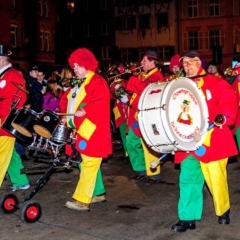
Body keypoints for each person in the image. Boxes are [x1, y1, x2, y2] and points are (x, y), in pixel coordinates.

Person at [171, 51, 238, 232]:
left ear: (200, 63)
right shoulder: (177, 86)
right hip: (187, 142)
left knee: (216, 180)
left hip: (212, 139)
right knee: (188, 180)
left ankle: (223, 210)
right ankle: (187, 218)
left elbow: (229, 99)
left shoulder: (215, 82)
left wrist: (223, 116)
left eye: (192, 62)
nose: (188, 66)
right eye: (185, 63)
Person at [60, 48, 112, 211]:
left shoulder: (97, 81)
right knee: (85, 163)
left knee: (89, 163)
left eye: (77, 65)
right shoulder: (76, 83)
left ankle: (82, 200)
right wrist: (65, 117)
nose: (74, 68)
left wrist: (86, 110)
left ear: (87, 65)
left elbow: (101, 102)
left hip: (92, 131)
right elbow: (65, 100)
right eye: (73, 65)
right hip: (80, 130)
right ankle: (97, 192)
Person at [125, 49, 165, 185]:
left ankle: (154, 174)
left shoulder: (157, 76)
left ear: (152, 61)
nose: (141, 62)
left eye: (144, 60)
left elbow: (145, 89)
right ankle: (141, 169)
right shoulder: (144, 75)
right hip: (136, 117)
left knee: (149, 145)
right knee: (131, 142)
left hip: (147, 116)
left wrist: (132, 78)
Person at [0, 44, 30, 191]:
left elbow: (20, 97)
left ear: (2, 59)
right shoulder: (2, 75)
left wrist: (7, 111)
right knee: (9, 153)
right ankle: (20, 181)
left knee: (1, 153)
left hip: (5, 121)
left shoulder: (13, 74)